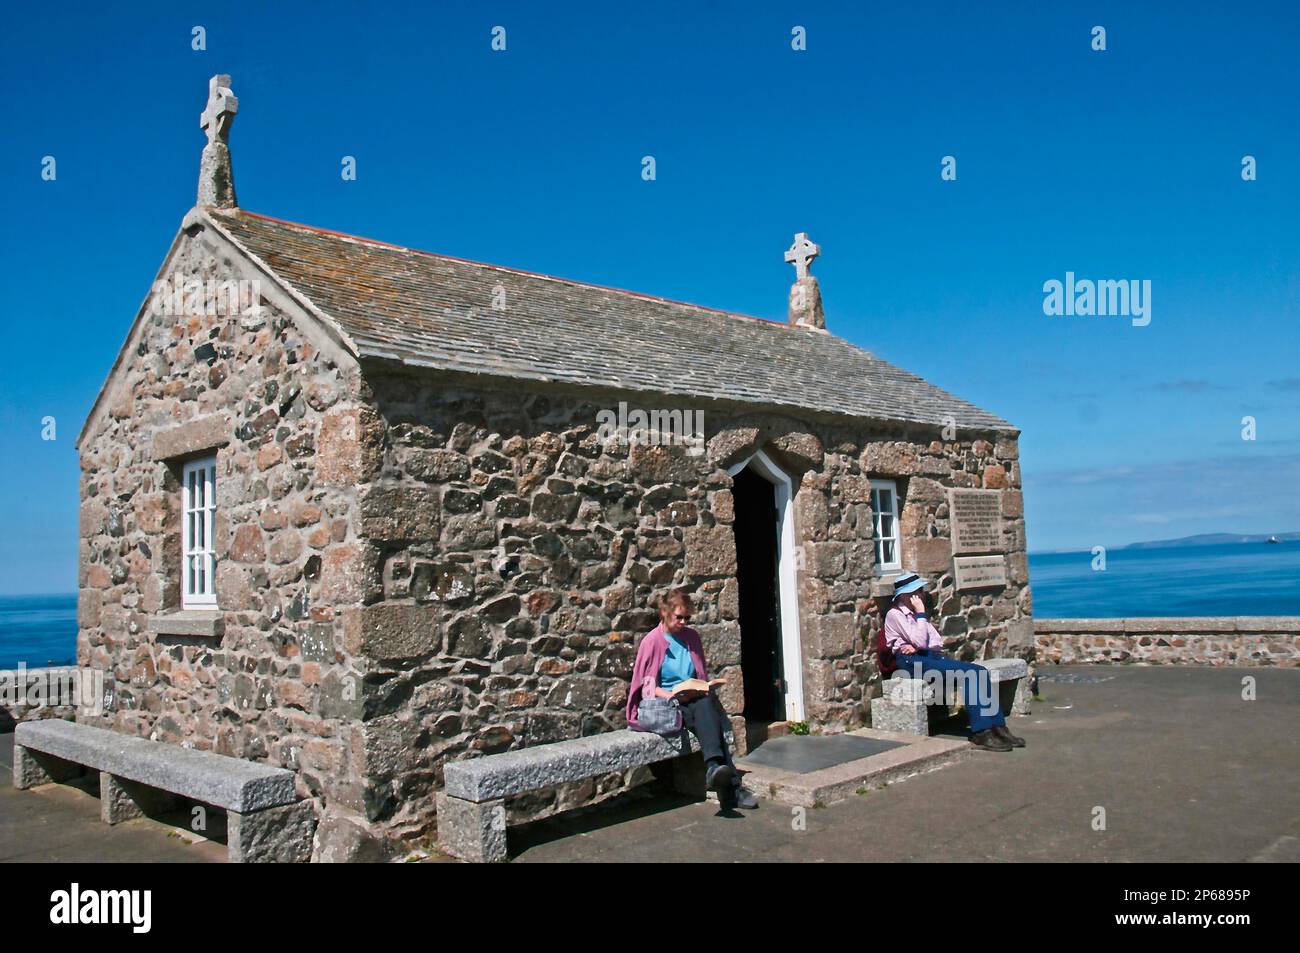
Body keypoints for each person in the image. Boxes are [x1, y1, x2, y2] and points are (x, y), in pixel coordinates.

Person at [626, 589, 758, 810]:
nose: (683, 622)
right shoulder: (651, 642)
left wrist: (701, 688)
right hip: (666, 705)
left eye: (687, 618)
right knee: (712, 723)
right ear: (664, 613)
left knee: (706, 708)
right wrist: (670, 695)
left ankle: (715, 769)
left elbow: (698, 674)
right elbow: (646, 686)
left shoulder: (691, 637)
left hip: (691, 700)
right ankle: (731, 788)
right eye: (679, 617)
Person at [882, 572, 1025, 752]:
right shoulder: (895, 615)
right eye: (917, 591)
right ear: (905, 595)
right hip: (911, 662)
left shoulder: (914, 614)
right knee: (969, 674)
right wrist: (920, 617)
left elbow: (935, 642)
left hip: (925, 656)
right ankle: (981, 732)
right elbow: (920, 640)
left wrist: (918, 642)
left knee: (979, 671)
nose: (921, 594)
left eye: (920, 590)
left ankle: (997, 726)